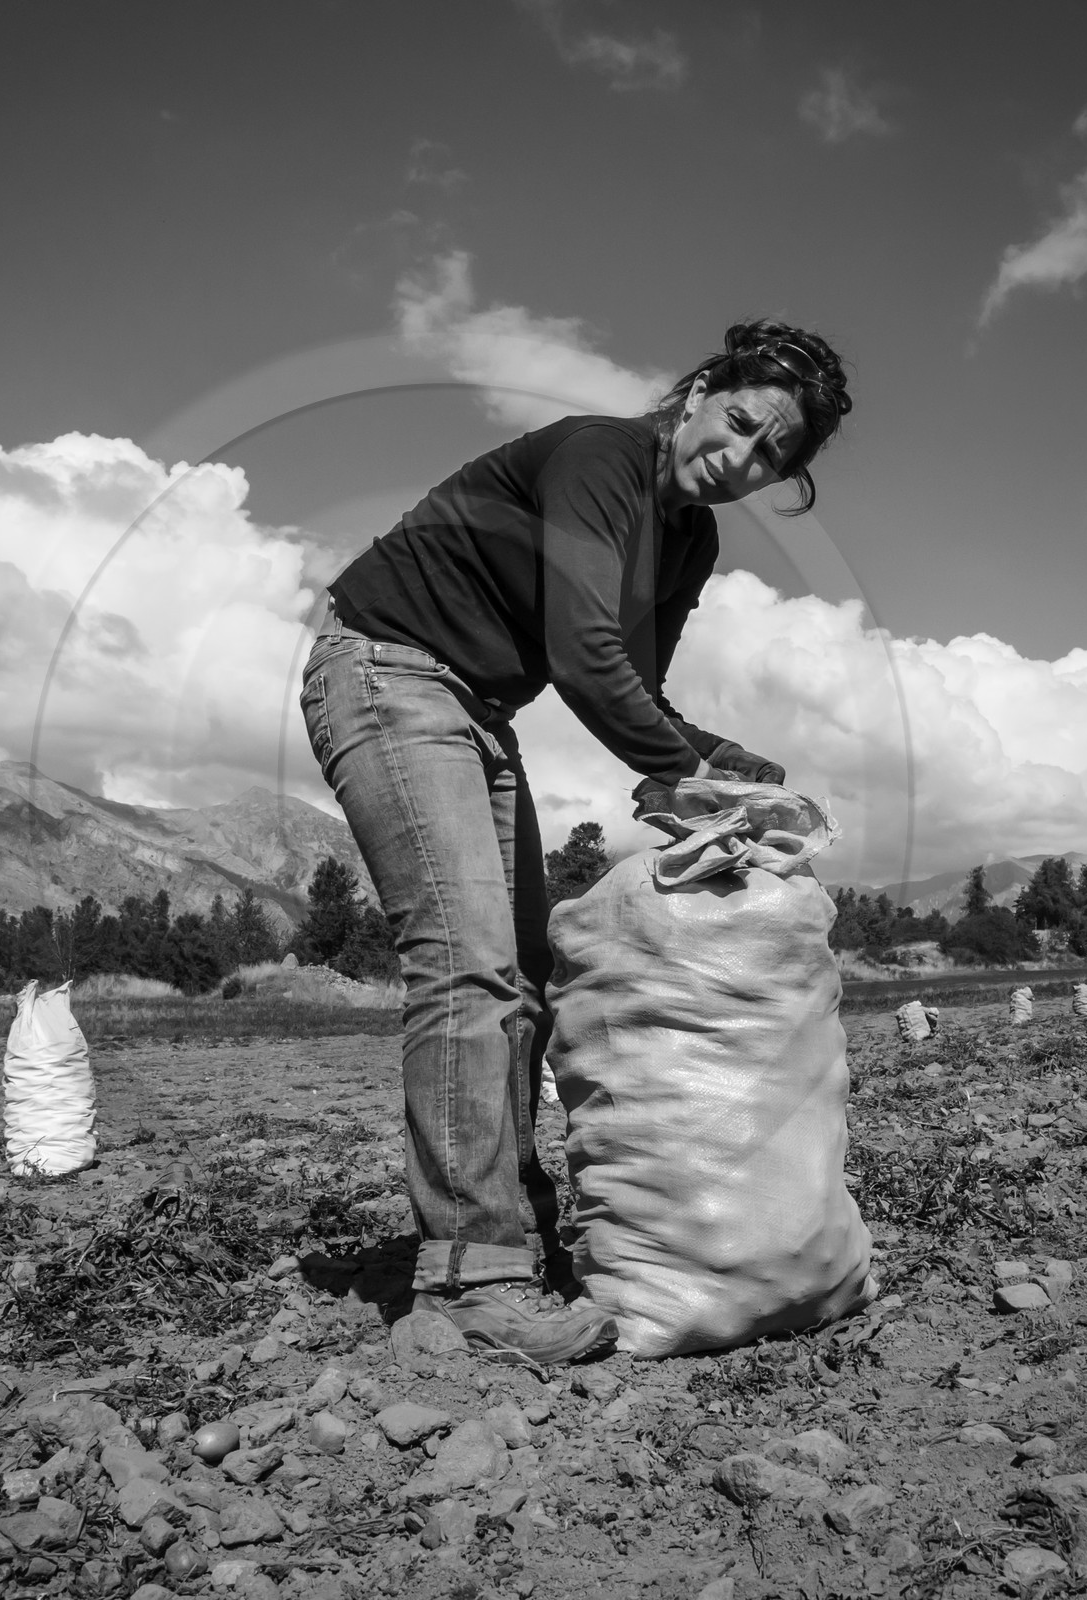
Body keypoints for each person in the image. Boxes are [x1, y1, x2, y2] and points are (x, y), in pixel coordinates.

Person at [300, 319, 851, 1363]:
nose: (739, 460)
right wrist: (692, 767)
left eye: (771, 455)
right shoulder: (603, 457)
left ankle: (515, 1233)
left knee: (525, 978)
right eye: (738, 424)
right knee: (468, 970)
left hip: (476, 709)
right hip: (387, 671)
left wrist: (725, 765)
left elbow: (636, 686)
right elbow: (587, 656)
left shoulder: (690, 537)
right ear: (695, 394)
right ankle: (470, 1273)